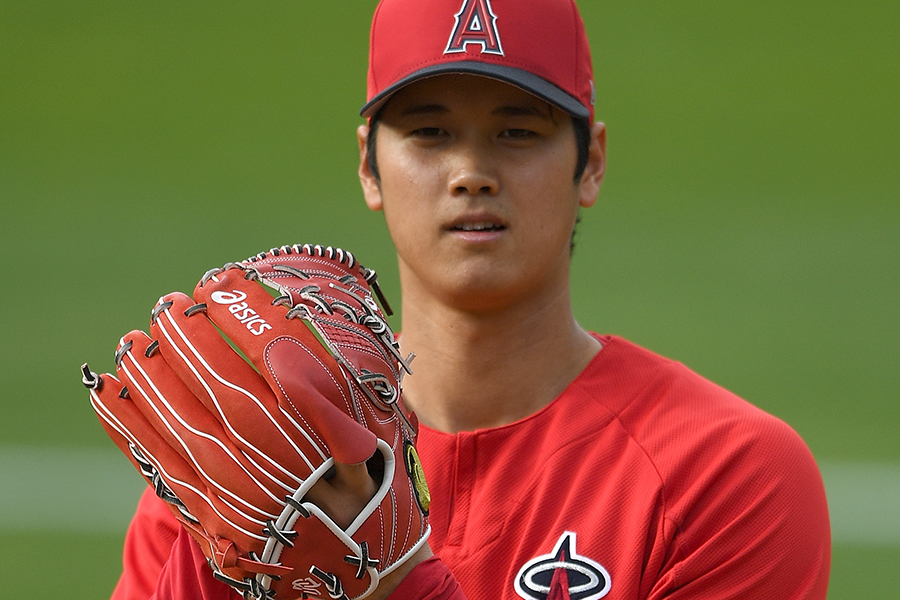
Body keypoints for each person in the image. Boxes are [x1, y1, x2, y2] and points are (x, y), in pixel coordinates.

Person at [107, 0, 831, 599]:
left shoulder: (724, 475)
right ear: (368, 165)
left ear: (592, 162)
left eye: (518, 132)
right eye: (430, 133)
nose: (472, 172)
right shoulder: (246, 466)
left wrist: (392, 583)